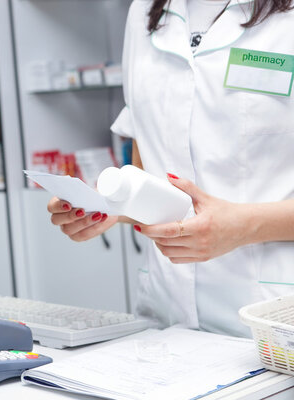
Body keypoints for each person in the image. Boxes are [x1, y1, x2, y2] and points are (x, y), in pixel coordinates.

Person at [48, 0, 294, 337]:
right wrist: (111, 206)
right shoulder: (145, 11)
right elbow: (147, 169)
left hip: (274, 318)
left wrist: (243, 226)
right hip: (168, 315)